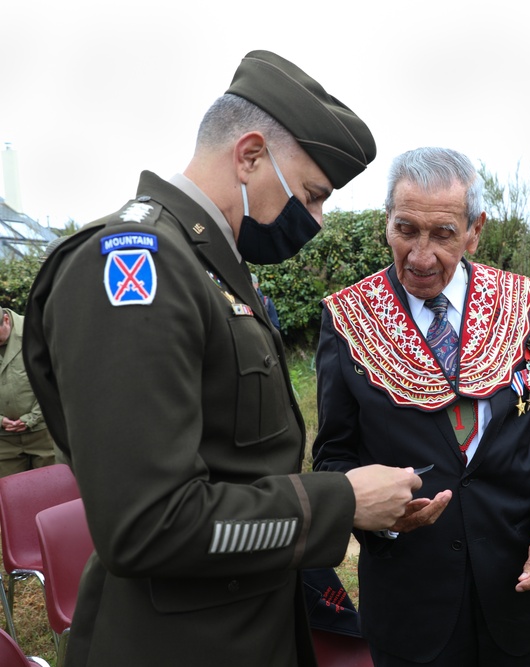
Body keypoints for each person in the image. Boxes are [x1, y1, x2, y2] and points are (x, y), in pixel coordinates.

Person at [23, 50, 421, 667]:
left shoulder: (209, 267)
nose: (315, 220)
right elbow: (150, 524)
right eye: (312, 196)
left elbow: (233, 463)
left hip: (244, 625)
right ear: (251, 155)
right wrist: (341, 501)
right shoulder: (137, 266)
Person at [313, 147, 530, 667]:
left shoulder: (528, 310)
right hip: (410, 601)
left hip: (517, 588)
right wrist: (382, 517)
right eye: (405, 229)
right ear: (386, 222)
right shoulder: (348, 321)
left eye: (441, 234)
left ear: (474, 230)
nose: (420, 255)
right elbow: (333, 455)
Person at [0, 306, 56, 476]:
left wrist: (33, 417)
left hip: (42, 432)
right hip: (4, 440)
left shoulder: (36, 332)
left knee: (52, 489)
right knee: (13, 496)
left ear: (6, 321)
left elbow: (54, 380)